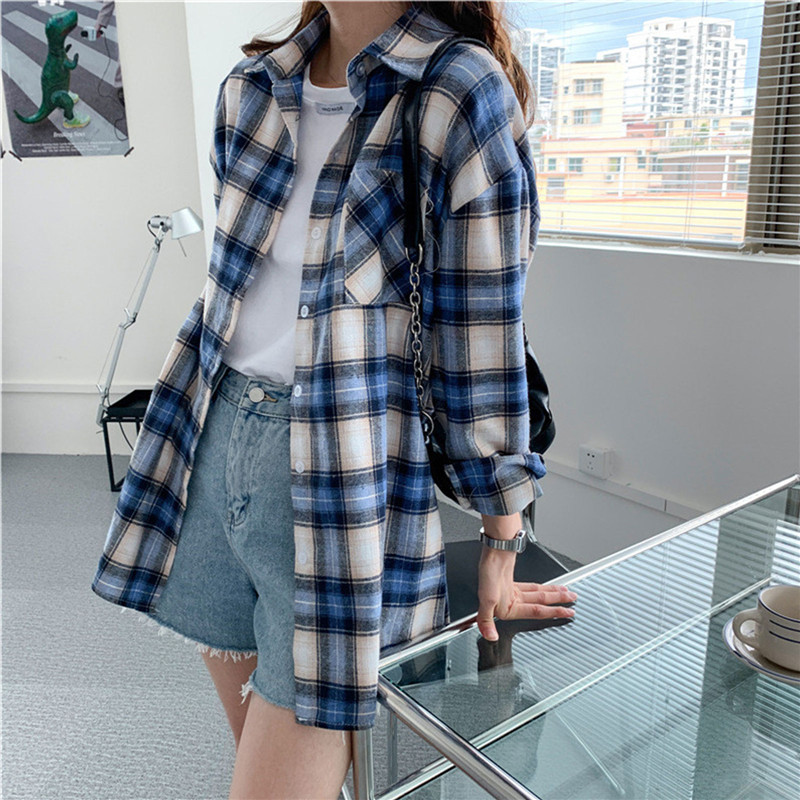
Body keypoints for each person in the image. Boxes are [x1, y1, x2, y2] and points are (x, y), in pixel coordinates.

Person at [91, 2, 578, 797]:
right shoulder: (251, 87)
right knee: (268, 752)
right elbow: (239, 289)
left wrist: (501, 540)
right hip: (207, 439)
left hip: (335, 473)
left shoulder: (457, 89)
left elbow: (481, 332)